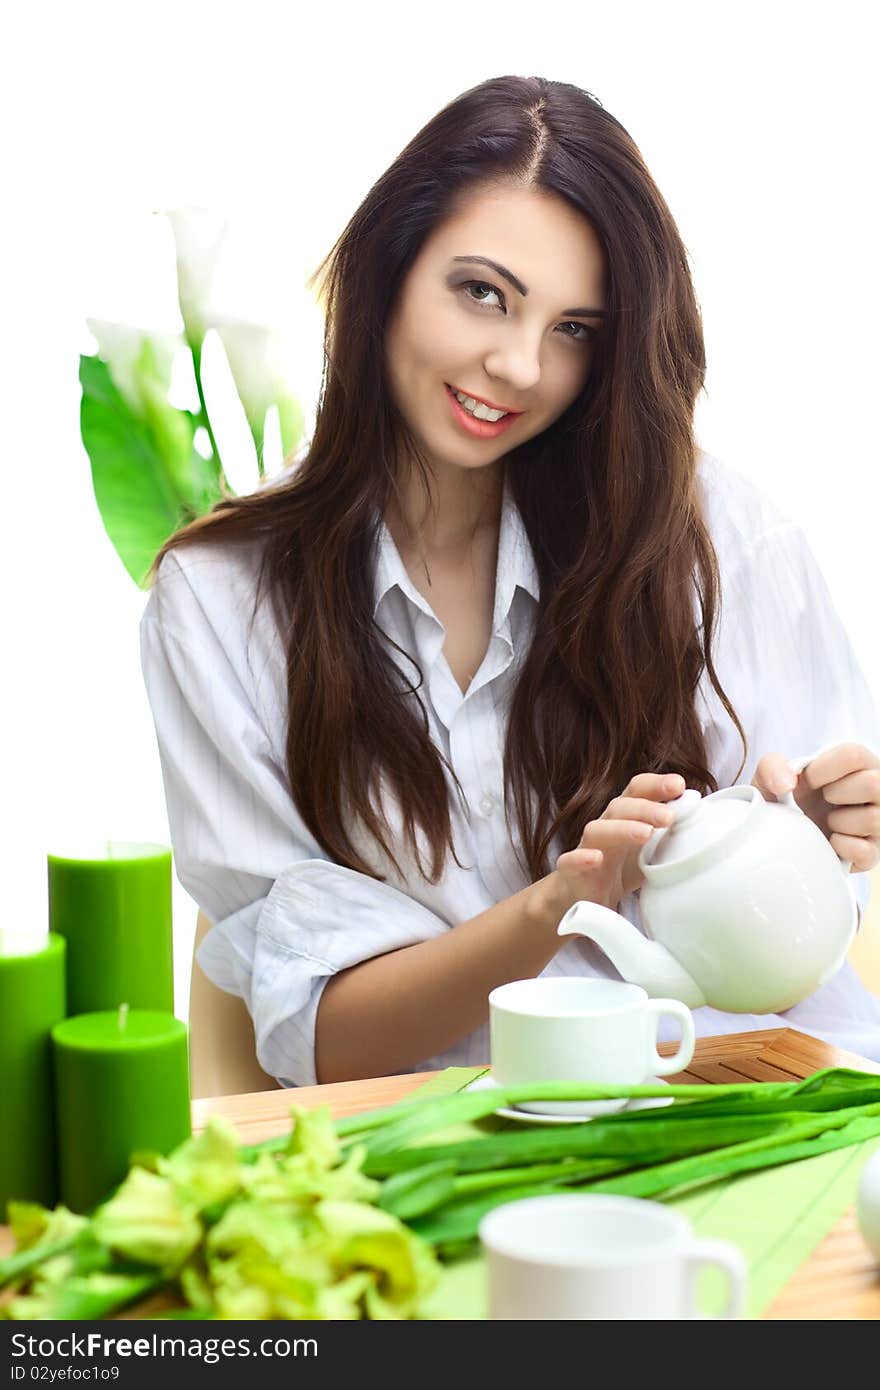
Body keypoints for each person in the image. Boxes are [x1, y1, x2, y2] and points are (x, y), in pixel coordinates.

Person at [139, 74, 880, 1084]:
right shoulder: (223, 599)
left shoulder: (718, 538)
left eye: (575, 329)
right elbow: (324, 1037)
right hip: (448, 1152)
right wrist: (555, 903)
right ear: (387, 271)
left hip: (747, 1110)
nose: (520, 367)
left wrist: (810, 844)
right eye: (481, 293)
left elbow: (792, 972)